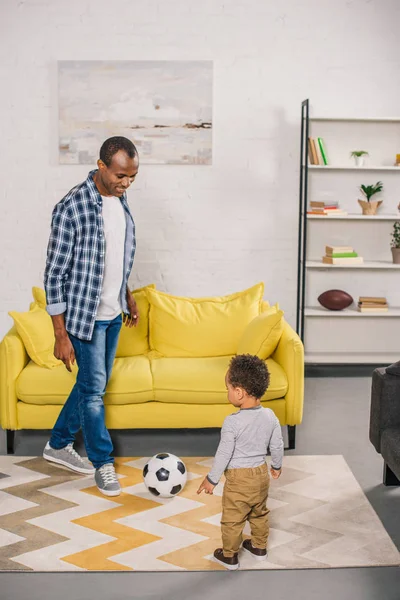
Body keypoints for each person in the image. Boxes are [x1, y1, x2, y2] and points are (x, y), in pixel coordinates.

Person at [42, 136, 140, 497]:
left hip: (113, 312)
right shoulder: (72, 206)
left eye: (132, 176)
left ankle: (57, 444)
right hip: (85, 318)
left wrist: (126, 293)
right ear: (101, 166)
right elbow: (54, 275)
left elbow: (114, 256)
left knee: (90, 386)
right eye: (120, 175)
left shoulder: (119, 199)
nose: (126, 183)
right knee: (94, 392)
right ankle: (103, 463)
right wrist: (60, 334)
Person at [197, 354, 284, 570]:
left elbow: (224, 454)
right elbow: (277, 445)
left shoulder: (232, 422)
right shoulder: (270, 416)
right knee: (259, 512)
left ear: (239, 393)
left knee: (232, 519)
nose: (227, 393)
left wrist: (211, 479)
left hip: (239, 480)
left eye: (227, 388)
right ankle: (259, 547)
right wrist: (276, 466)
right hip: (261, 475)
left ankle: (229, 556)